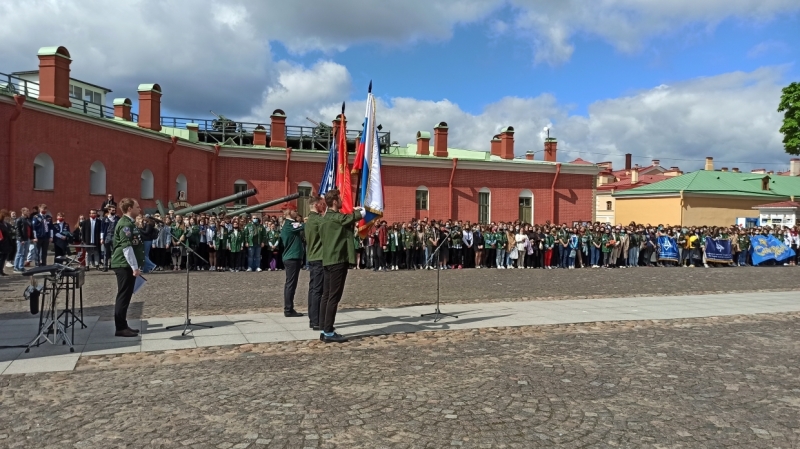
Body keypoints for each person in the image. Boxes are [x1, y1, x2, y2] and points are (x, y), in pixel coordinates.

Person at [318, 189, 364, 343]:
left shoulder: (325, 218)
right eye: (340, 198)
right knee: (333, 297)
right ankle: (329, 331)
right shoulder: (335, 217)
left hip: (328, 260)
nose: (342, 200)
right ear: (335, 202)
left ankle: (324, 328)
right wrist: (360, 213)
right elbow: (346, 220)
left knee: (326, 295)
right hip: (337, 260)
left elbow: (344, 222)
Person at [110, 198, 143, 338]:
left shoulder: (130, 223)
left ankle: (123, 325)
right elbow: (127, 248)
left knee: (126, 295)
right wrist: (134, 267)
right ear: (129, 208)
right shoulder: (125, 224)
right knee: (123, 296)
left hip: (126, 264)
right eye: (137, 206)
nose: (139, 209)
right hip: (123, 264)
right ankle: (120, 328)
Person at [305, 194, 326, 330]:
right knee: (318, 290)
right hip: (319, 257)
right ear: (316, 205)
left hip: (312, 256)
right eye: (322, 203)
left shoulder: (309, 220)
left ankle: (313, 317)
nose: (323, 206)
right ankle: (316, 320)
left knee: (313, 289)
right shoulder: (318, 220)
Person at [280, 204, 305, 317]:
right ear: (290, 212)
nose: (296, 213)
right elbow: (304, 226)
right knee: (291, 284)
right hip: (292, 257)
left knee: (290, 283)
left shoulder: (288, 224)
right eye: (295, 210)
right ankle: (288, 309)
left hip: (291, 257)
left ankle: (289, 308)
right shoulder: (290, 224)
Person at [101, 206, 119, 271]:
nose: (114, 211)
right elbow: (102, 229)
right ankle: (105, 266)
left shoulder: (117, 218)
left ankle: (112, 265)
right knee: (106, 252)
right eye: (112, 210)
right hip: (107, 236)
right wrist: (101, 238)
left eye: (114, 210)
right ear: (109, 210)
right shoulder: (105, 219)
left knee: (114, 251)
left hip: (114, 236)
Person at [0, 210, 12, 276]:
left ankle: (1, 270)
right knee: (1, 258)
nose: (7, 218)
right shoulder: (0, 224)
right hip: (2, 243)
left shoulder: (6, 224)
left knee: (4, 258)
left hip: (7, 243)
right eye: (6, 216)